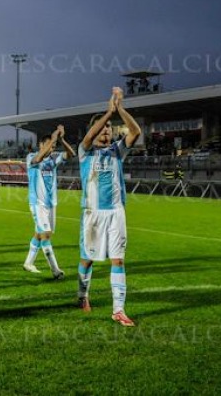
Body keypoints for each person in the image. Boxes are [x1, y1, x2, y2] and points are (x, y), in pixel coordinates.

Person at [77, 87, 141, 327]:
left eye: (109, 129)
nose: (106, 132)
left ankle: (118, 309)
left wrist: (120, 109)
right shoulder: (85, 152)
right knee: (87, 260)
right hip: (92, 214)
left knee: (118, 260)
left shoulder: (117, 151)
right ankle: (83, 295)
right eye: (102, 129)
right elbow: (86, 138)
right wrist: (107, 113)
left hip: (116, 213)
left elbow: (136, 131)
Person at [22, 124, 76, 278]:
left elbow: (71, 154)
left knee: (41, 234)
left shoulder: (53, 158)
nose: (51, 148)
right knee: (45, 234)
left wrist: (62, 139)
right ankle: (55, 270)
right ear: (40, 145)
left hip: (51, 203)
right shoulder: (31, 157)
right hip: (37, 203)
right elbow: (39, 157)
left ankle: (28, 262)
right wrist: (52, 140)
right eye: (47, 145)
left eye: (52, 147)